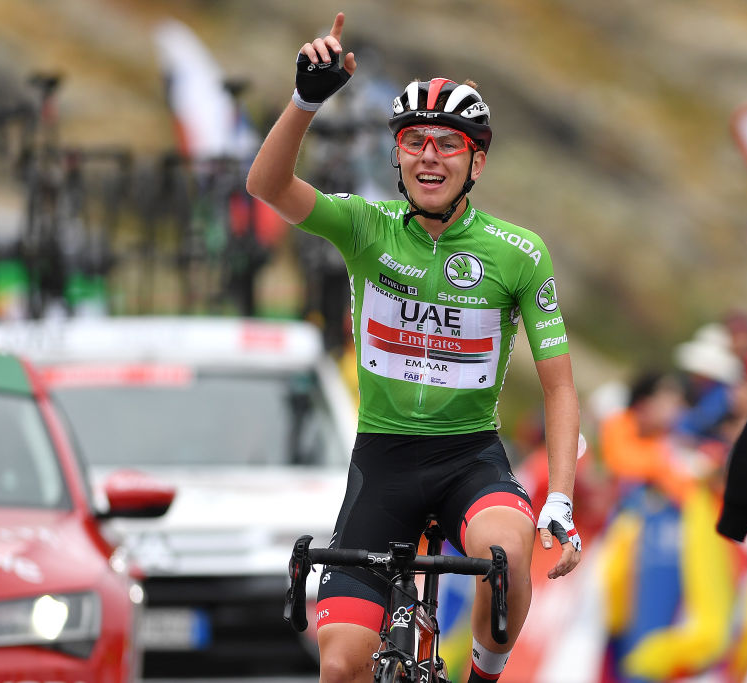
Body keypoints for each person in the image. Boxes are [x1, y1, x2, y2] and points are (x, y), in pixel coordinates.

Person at [246, 13, 582, 683]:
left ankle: (483, 675)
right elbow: (267, 186)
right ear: (396, 154)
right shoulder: (366, 228)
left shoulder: (517, 253)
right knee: (341, 664)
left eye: (449, 144)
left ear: (476, 160)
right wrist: (305, 102)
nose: (430, 155)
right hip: (383, 460)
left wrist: (562, 499)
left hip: (470, 459)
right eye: (415, 141)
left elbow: (560, 387)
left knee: (507, 560)